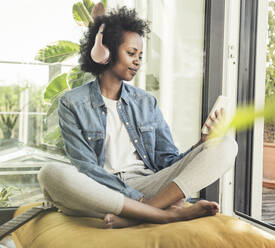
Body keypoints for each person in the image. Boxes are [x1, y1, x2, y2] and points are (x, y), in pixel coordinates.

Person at [38, 6, 238, 228]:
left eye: (140, 56)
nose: (137, 61)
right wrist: (136, 199)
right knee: (50, 174)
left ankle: (141, 213)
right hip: (103, 191)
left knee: (227, 145)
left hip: (149, 186)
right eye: (131, 53)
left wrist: (202, 144)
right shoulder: (72, 103)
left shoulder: (146, 102)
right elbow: (87, 169)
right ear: (107, 51)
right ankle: (164, 214)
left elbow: (168, 161)